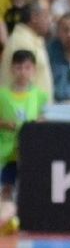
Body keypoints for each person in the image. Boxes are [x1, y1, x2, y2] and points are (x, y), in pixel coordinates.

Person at [0, 48, 46, 231]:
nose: (22, 72)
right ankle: (6, 218)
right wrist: (5, 124)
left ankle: (24, 218)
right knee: (7, 187)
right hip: (7, 152)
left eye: (27, 68)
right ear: (12, 69)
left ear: (33, 70)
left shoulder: (39, 96)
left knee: (28, 188)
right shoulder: (2, 95)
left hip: (29, 153)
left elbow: (45, 118)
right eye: (18, 68)